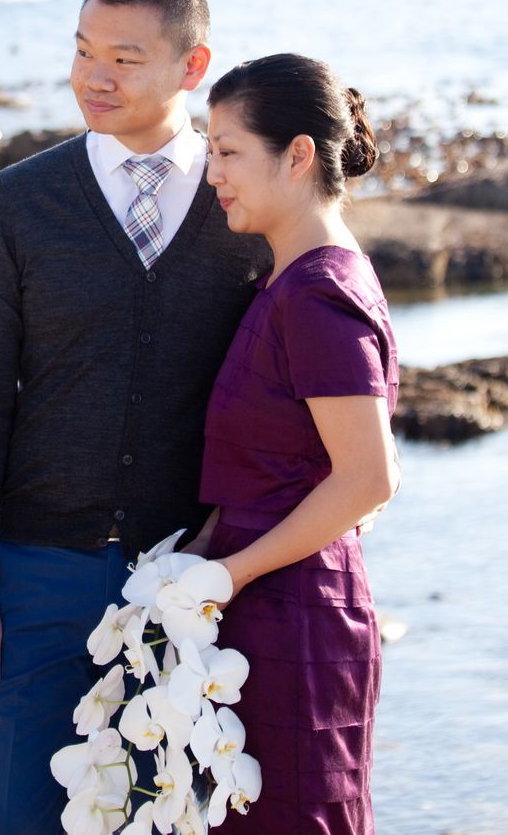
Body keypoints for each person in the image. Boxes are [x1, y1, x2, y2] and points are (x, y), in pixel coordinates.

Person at [0, 0, 270, 834]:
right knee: (18, 817)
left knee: (174, 817)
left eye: (125, 58)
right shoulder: (19, 202)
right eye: (83, 51)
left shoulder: (244, 208)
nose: (95, 76)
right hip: (34, 574)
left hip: (188, 579)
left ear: (191, 68)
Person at [188, 53, 401, 834]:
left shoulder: (315, 292)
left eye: (228, 151)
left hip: (296, 621)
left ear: (299, 154)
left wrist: (227, 573)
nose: (213, 175)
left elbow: (369, 478)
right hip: (263, 608)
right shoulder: (294, 279)